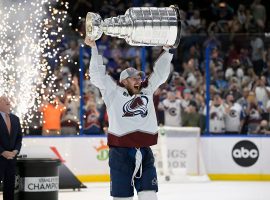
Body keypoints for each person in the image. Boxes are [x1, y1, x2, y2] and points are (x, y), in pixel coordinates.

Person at [85, 36, 173, 200]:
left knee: (149, 196)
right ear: (124, 81)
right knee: (122, 198)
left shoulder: (146, 90)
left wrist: (167, 50)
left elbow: (161, 74)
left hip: (145, 151)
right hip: (120, 154)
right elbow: (97, 75)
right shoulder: (112, 91)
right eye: (134, 78)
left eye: (140, 77)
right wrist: (93, 48)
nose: (139, 80)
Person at [0, 96, 22, 200]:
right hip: (0, 157)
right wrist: (2, 152)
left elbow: (19, 138)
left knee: (9, 188)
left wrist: (15, 151)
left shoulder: (15, 119)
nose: (7, 100)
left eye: (8, 99)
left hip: (11, 159)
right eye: (3, 100)